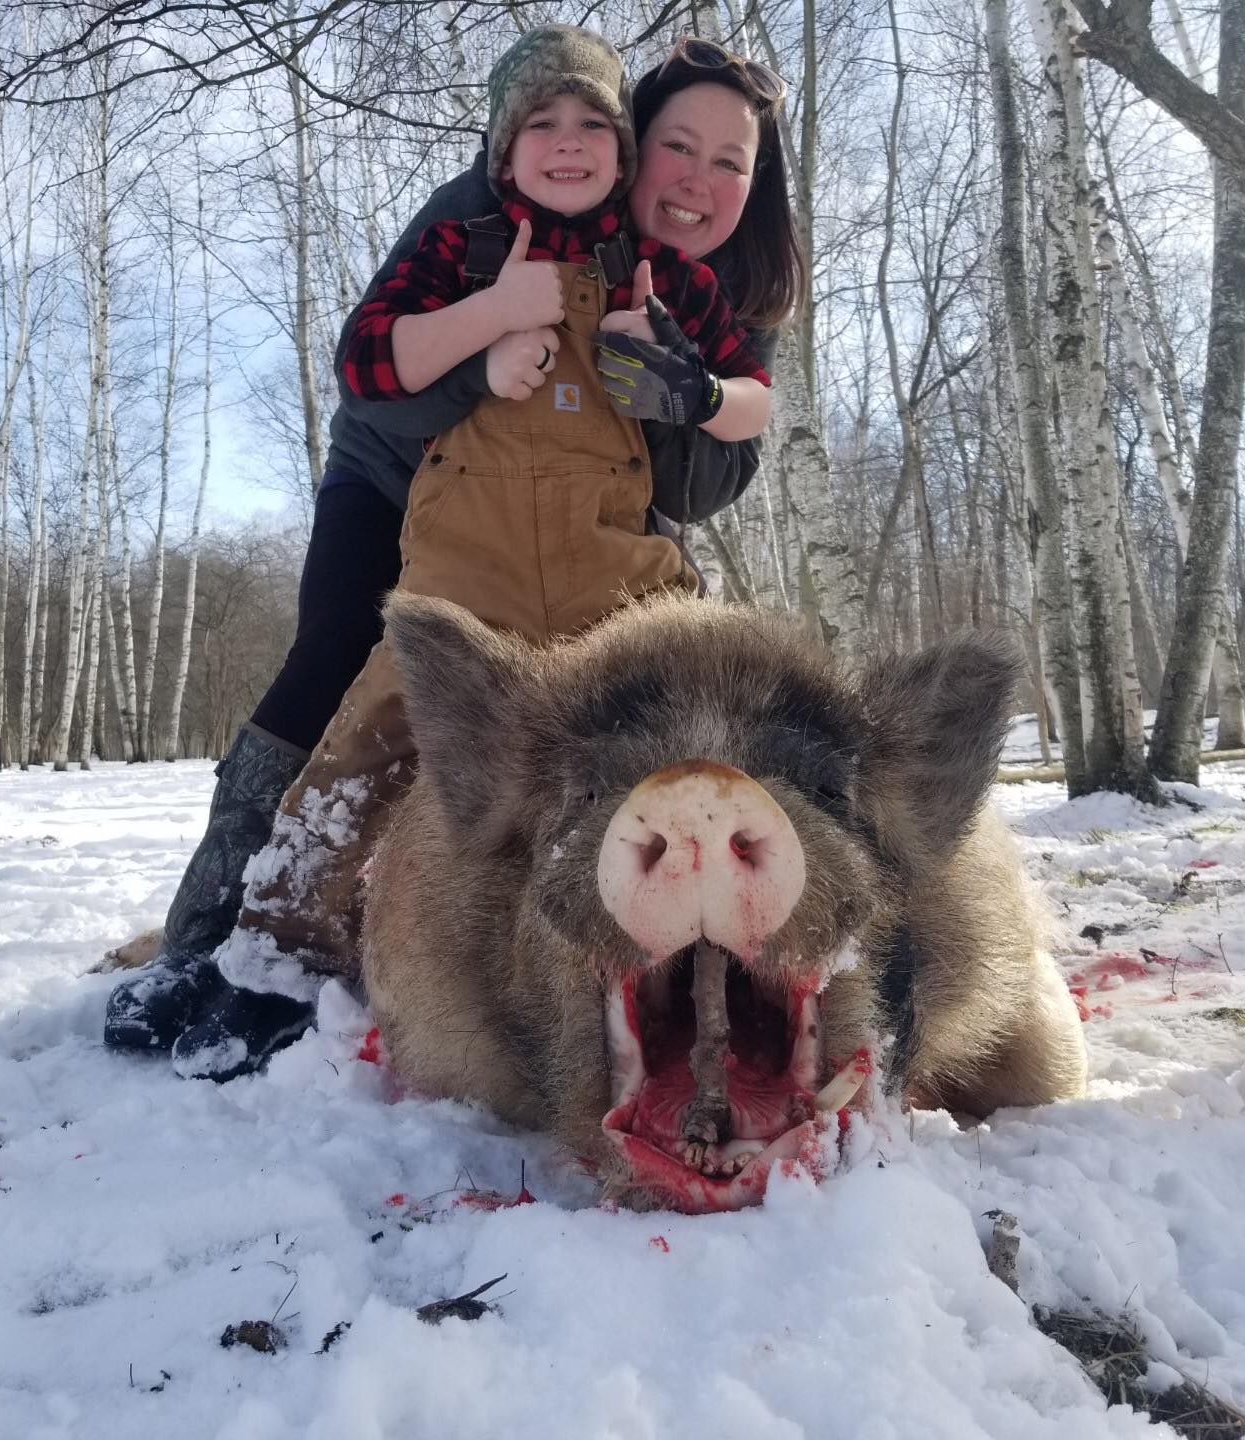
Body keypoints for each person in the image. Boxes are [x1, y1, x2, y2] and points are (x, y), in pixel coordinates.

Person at [104, 33, 805, 1074]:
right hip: (408, 486)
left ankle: (692, 928)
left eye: (729, 161)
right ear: (633, 142)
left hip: (586, 536)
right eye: (677, 145)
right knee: (343, 675)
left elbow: (707, 472)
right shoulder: (480, 218)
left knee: (659, 699)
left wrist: (683, 392)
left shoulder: (706, 292)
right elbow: (371, 371)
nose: (697, 179)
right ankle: (220, 944)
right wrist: (487, 348)